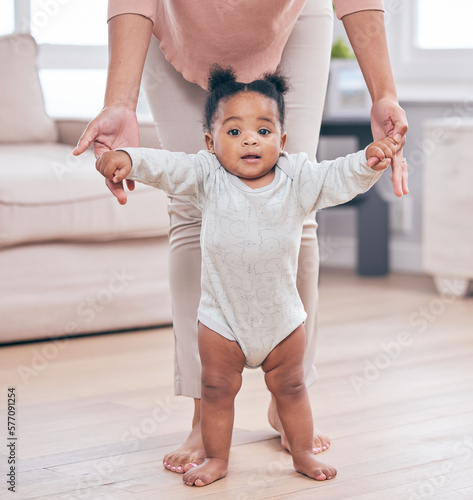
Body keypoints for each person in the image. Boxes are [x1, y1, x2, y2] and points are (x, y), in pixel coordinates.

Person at [73, 0, 408, 473]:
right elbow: (174, 169)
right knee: (189, 211)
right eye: (235, 132)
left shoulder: (295, 172)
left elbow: (335, 177)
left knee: (303, 207)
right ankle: (203, 414)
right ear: (213, 143)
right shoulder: (204, 168)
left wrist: (382, 100)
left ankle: (290, 402)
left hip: (290, 15)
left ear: (280, 139)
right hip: (177, 19)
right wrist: (126, 136)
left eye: (263, 132)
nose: (250, 141)